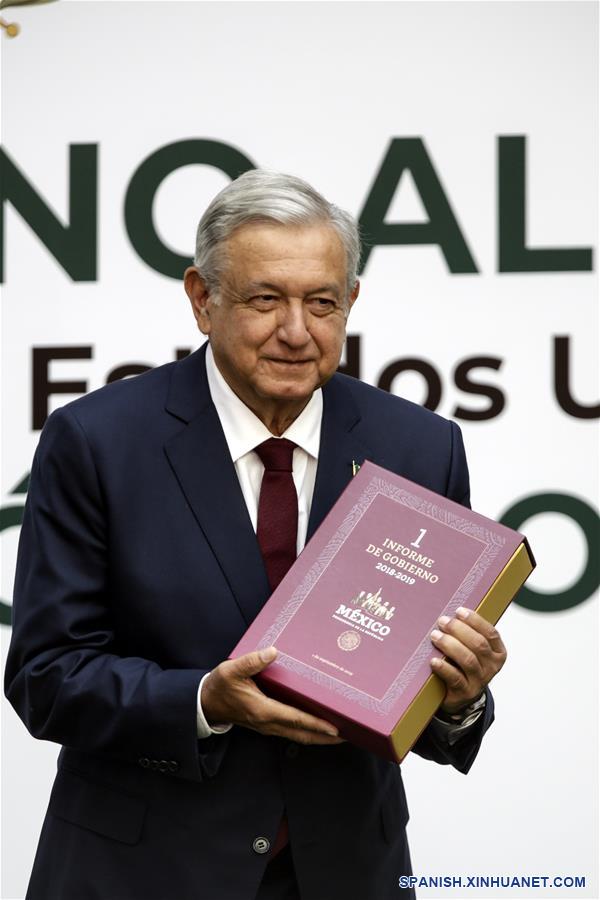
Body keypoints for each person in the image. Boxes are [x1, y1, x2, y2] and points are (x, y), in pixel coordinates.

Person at [5, 171, 507, 900]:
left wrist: (460, 696)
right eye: (266, 299)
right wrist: (205, 700)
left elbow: (412, 706)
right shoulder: (96, 441)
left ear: (352, 304)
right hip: (142, 874)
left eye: (322, 303)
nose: (297, 331)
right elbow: (46, 676)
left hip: (343, 875)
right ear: (202, 300)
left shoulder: (422, 448)